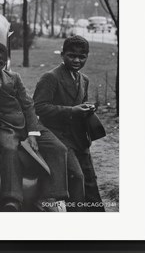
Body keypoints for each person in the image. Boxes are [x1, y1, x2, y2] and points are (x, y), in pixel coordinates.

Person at [0, 42, 69, 211]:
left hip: (26, 123)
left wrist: (32, 132)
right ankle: (12, 198)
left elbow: (28, 105)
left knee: (58, 148)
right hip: (4, 126)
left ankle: (50, 195)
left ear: (5, 64)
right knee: (8, 149)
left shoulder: (14, 78)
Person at [33, 35, 105, 212]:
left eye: (82, 57)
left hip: (79, 137)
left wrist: (88, 109)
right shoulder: (50, 77)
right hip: (56, 136)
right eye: (72, 56)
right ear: (62, 55)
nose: (77, 60)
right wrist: (72, 111)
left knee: (89, 179)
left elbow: (80, 103)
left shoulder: (84, 80)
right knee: (76, 176)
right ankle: (76, 219)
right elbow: (39, 108)